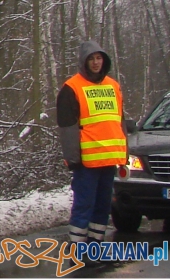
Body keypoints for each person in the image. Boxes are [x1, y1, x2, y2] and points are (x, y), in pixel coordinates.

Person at [56, 41, 126, 245]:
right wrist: (72, 158)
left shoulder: (113, 85)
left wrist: (124, 154)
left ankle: (95, 247)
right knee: (84, 205)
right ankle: (78, 249)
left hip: (110, 159)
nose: (96, 62)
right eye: (91, 58)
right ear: (83, 62)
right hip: (87, 161)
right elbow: (67, 128)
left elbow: (119, 120)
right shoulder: (72, 87)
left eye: (99, 58)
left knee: (103, 206)